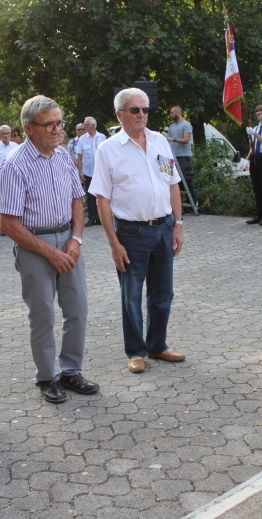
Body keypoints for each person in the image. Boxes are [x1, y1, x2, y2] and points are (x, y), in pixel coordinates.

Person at [0, 95, 98, 403]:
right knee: (42, 315)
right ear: (29, 129)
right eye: (50, 125)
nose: (58, 130)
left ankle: (71, 371)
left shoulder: (63, 156)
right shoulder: (14, 165)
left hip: (68, 240)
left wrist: (75, 239)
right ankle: (47, 377)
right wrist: (49, 251)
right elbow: (8, 224)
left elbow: (76, 200)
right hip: (33, 246)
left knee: (77, 309)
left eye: (60, 123)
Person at [91, 87, 186, 374]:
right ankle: (136, 351)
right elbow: (102, 199)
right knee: (131, 295)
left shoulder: (159, 141)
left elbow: (172, 184)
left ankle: (157, 345)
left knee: (163, 293)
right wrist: (113, 243)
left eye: (145, 109)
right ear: (120, 114)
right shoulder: (107, 149)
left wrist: (178, 226)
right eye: (135, 110)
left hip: (164, 228)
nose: (142, 114)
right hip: (131, 234)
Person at [76, 117, 106, 227]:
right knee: (90, 196)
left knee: (100, 195)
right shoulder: (82, 139)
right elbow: (79, 157)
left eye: (86, 124)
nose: (84, 127)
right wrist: (80, 172)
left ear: (93, 126)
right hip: (88, 172)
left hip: (100, 172)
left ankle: (100, 217)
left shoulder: (102, 137)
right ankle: (91, 217)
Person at [166, 105, 198, 208]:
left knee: (187, 179)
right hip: (173, 157)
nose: (170, 115)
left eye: (172, 113)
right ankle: (178, 203)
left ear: (177, 113)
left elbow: (186, 140)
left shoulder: (186, 125)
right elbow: (168, 139)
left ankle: (193, 201)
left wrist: (174, 139)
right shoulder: (171, 126)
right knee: (175, 180)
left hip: (184, 156)